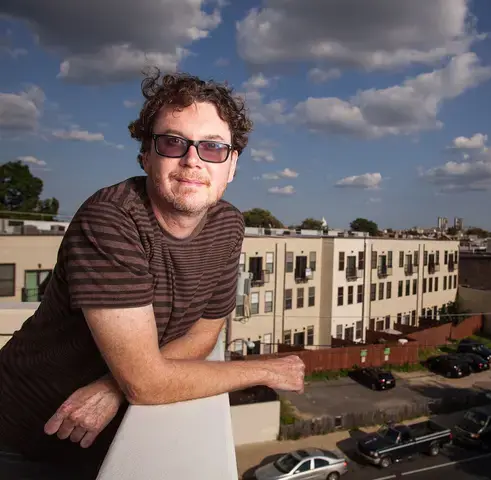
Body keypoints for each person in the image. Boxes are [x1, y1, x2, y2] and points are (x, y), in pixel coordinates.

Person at [0, 71, 305, 479]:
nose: (193, 160)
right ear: (146, 155)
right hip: (23, 434)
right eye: (173, 142)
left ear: (232, 165)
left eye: (213, 147)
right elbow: (145, 385)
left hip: (104, 436)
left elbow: (202, 334)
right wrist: (267, 370)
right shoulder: (110, 219)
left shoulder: (228, 225)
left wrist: (115, 385)